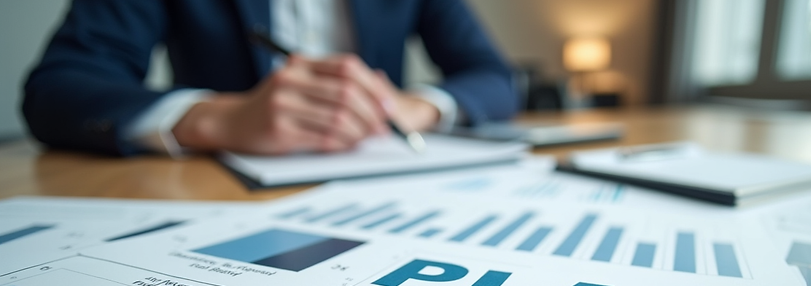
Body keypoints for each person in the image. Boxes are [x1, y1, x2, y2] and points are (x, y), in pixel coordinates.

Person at [22, 0, 517, 157]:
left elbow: (494, 76)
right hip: (218, 192)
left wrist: (415, 106)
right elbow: (59, 86)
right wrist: (214, 118)